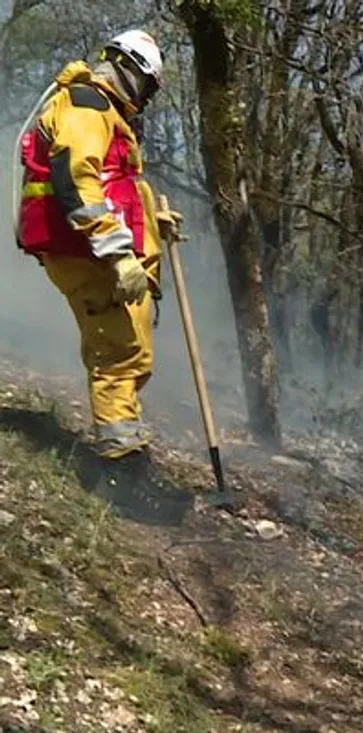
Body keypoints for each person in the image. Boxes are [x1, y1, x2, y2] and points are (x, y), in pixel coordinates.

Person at [14, 30, 183, 489]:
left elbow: (115, 186)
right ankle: (118, 468)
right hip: (87, 252)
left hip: (98, 251)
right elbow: (77, 181)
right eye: (147, 86)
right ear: (128, 70)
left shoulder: (104, 112)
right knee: (117, 350)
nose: (146, 99)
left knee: (131, 350)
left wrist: (153, 220)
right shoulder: (87, 106)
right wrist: (118, 255)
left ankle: (125, 443)